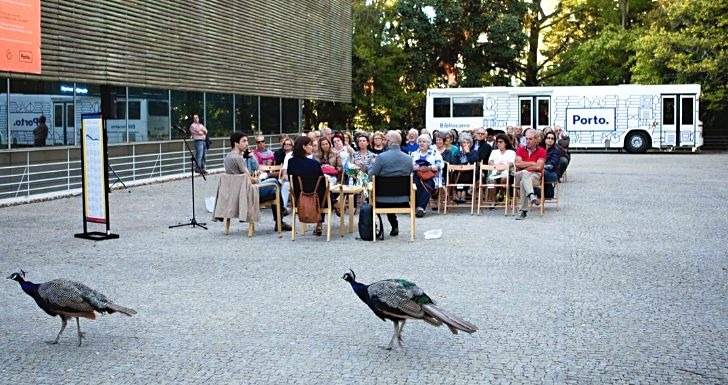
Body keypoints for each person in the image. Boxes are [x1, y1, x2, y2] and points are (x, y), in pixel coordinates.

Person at [223, 132, 292, 231]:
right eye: (244, 141)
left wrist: (251, 156)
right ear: (235, 143)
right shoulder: (238, 159)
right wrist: (257, 179)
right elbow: (249, 178)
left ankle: (281, 217)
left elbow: (254, 168)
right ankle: (281, 217)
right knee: (274, 184)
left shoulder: (228, 157)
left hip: (235, 194)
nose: (247, 144)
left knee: (274, 187)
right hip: (248, 194)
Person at [368, 130, 414, 237]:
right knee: (392, 189)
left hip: (382, 199)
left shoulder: (381, 157)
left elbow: (371, 176)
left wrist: (371, 165)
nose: (383, 142)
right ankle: (394, 225)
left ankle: (373, 229)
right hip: (403, 199)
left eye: (384, 140)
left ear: (389, 142)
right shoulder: (408, 159)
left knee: (370, 200)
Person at [287, 136, 328, 236]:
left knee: (320, 190)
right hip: (316, 200)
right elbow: (322, 183)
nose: (312, 147)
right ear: (304, 147)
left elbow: (290, 180)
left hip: (298, 198)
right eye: (310, 145)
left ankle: (334, 204)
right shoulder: (314, 164)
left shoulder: (290, 162)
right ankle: (320, 221)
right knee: (325, 191)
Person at [514, 129, 546, 220]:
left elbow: (539, 167)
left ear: (536, 140)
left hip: (535, 176)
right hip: (519, 175)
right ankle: (531, 195)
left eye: (530, 139)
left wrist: (526, 167)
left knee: (523, 182)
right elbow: (518, 164)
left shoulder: (542, 151)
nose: (527, 141)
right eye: (526, 139)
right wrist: (532, 163)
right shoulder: (520, 149)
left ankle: (523, 212)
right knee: (524, 174)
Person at [411, 134, 443, 218]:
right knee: (415, 184)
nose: (421, 143)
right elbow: (410, 166)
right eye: (420, 142)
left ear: (428, 143)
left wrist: (429, 167)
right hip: (417, 174)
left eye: (424, 142)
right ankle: (418, 207)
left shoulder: (434, 153)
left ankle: (420, 208)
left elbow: (440, 165)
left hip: (430, 175)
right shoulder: (414, 154)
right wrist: (418, 168)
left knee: (429, 184)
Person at [487, 133, 517, 203]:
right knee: (491, 180)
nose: (498, 143)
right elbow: (490, 162)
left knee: (504, 177)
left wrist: (502, 168)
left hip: (507, 172)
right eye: (497, 142)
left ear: (506, 143)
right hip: (495, 171)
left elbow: (512, 163)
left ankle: (501, 192)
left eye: (501, 142)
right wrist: (497, 168)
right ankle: (493, 201)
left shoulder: (511, 152)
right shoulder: (494, 152)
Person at [450, 133, 478, 203]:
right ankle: (460, 193)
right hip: (458, 172)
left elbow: (473, 161)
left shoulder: (474, 152)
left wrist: (468, 152)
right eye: (464, 142)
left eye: (468, 142)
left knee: (466, 174)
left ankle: (462, 194)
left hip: (470, 173)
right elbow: (454, 163)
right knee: (457, 174)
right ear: (461, 144)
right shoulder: (457, 152)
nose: (466, 144)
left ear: (471, 144)